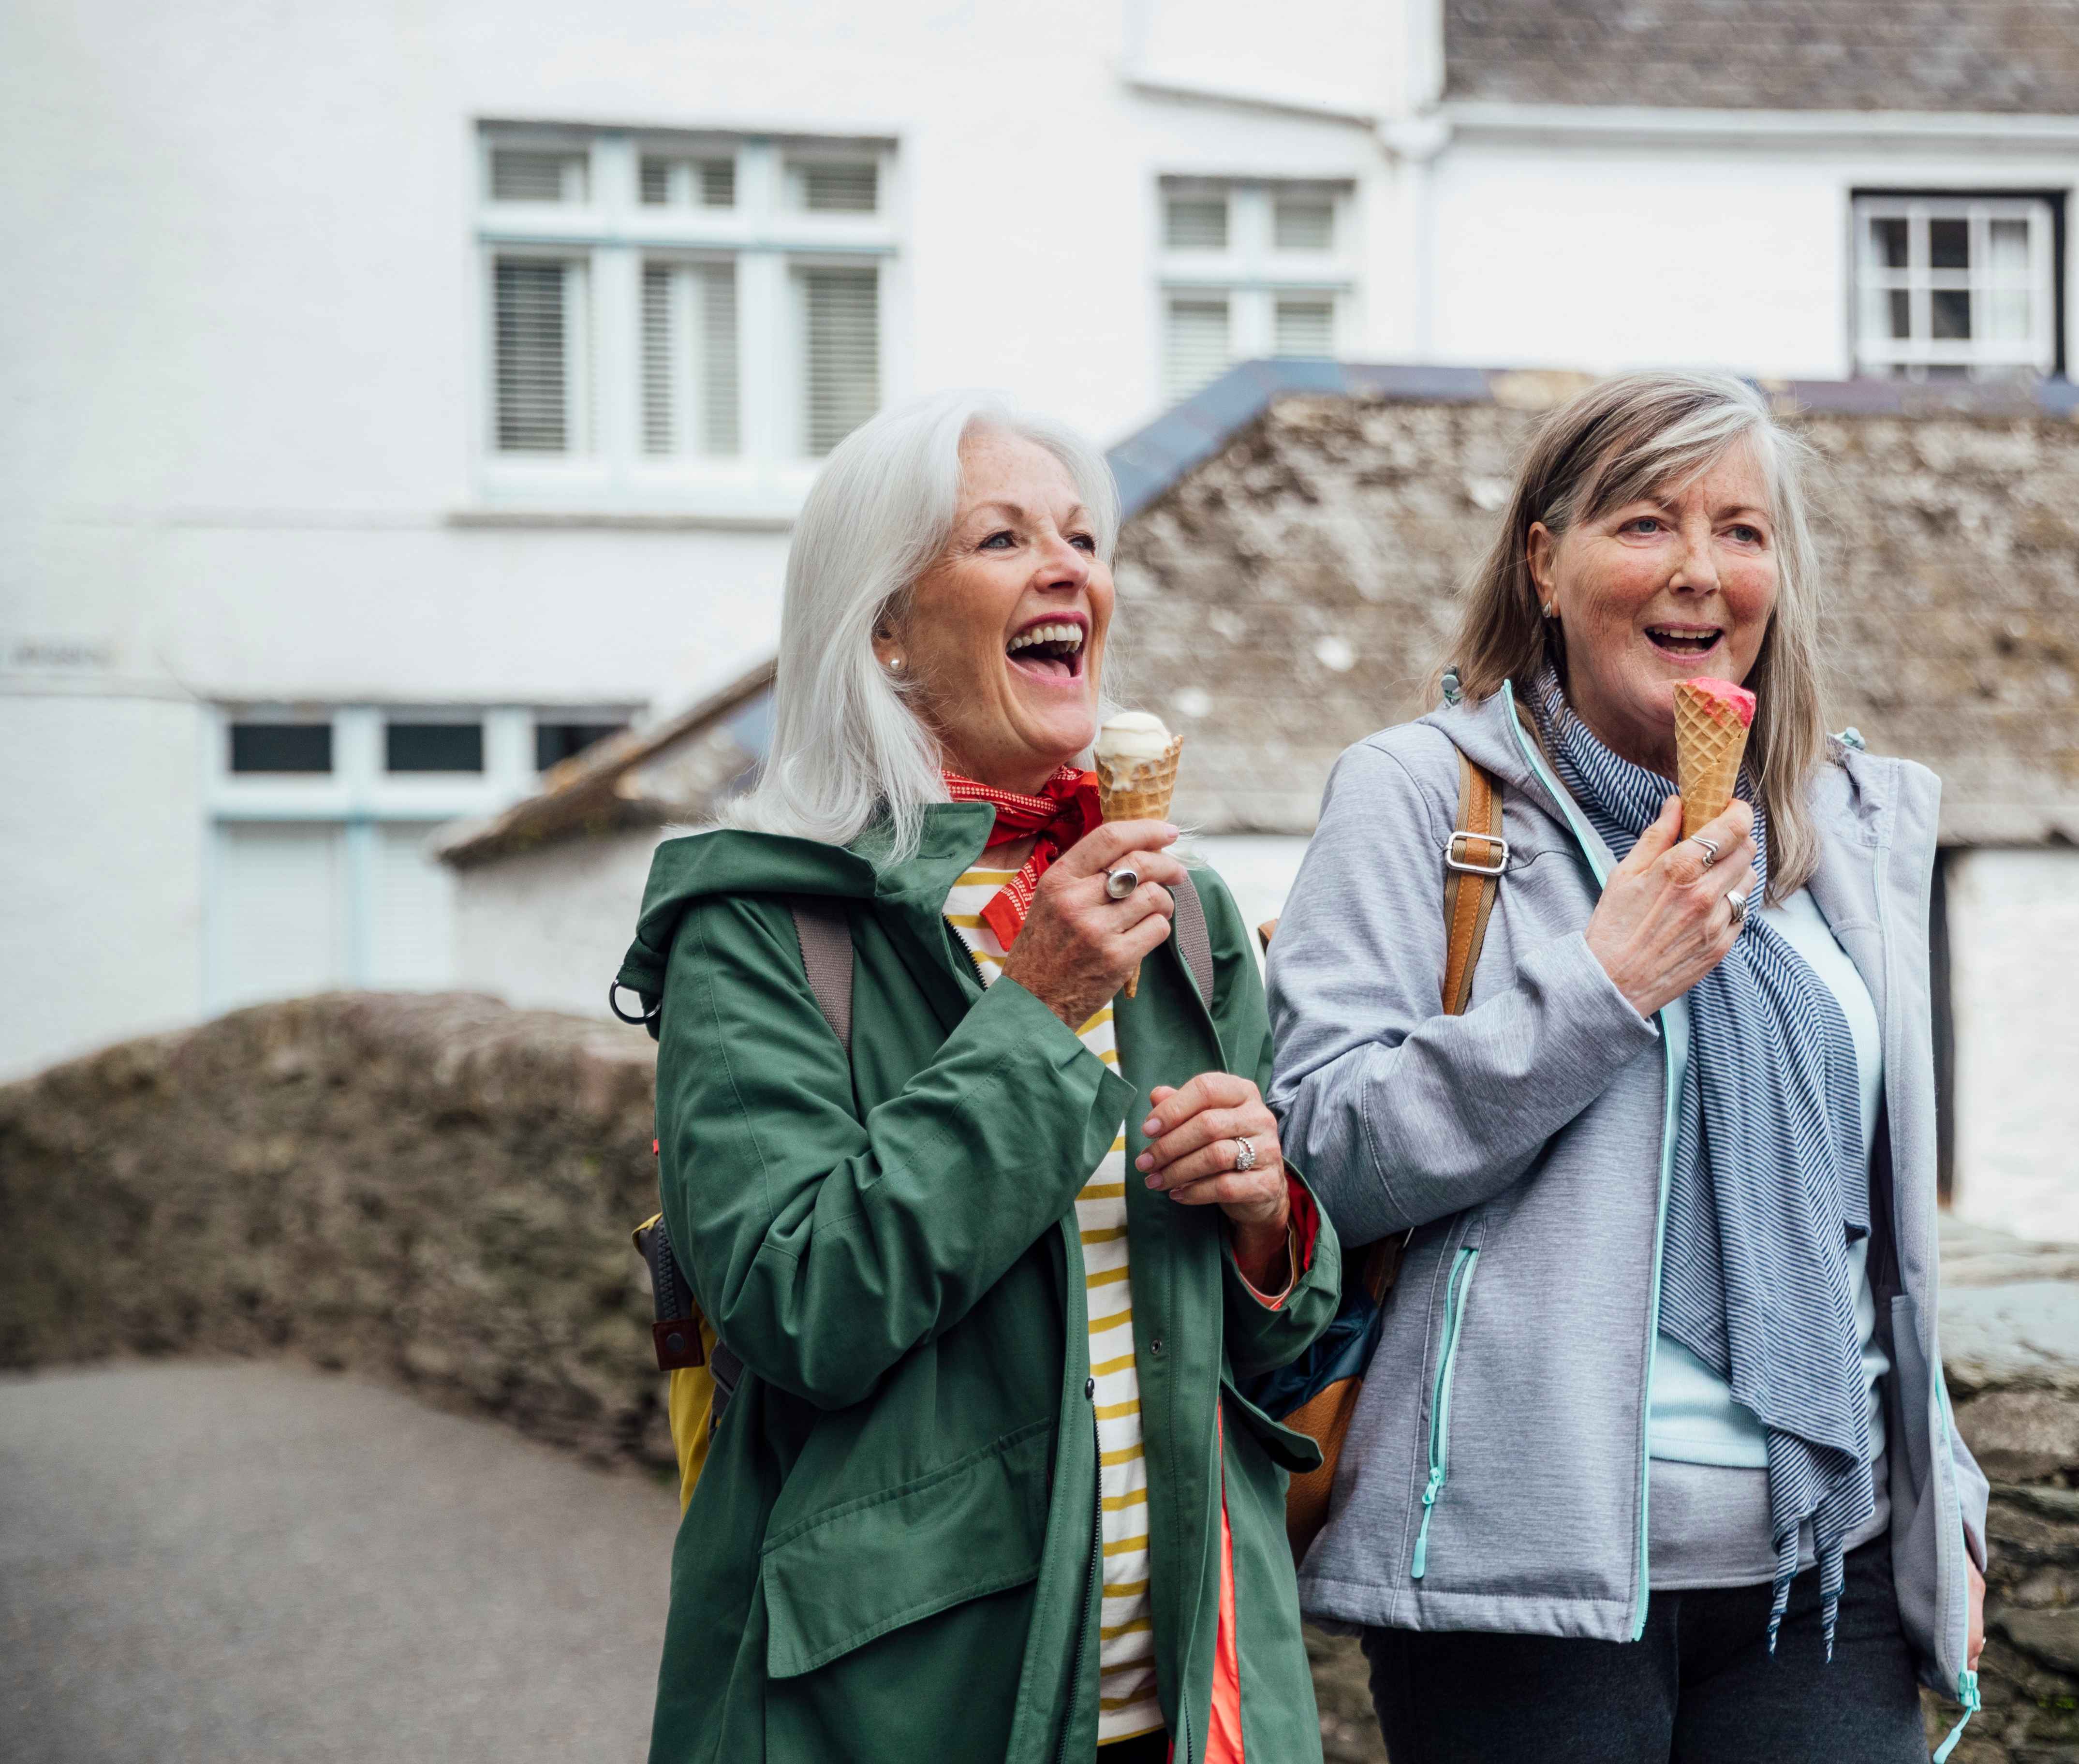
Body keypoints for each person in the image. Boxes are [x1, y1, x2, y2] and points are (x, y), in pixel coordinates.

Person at [1266, 371, 1990, 1764]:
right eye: (1648, 524)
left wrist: (1941, 1489)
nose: (1702, 574)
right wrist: (1601, 984)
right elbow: (1318, 1151)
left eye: (1743, 531)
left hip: (1820, 1566)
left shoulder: (1833, 833)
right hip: (1515, 1579)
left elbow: (1884, 1231)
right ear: (1545, 561)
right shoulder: (1421, 797)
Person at [614, 390, 1342, 1764]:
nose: (1070, 569)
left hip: (1203, 1694)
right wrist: (1041, 1010)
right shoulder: (764, 931)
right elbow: (802, 1305)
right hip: (915, 1702)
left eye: (1082, 537)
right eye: (1003, 540)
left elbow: (1276, 1339)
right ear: (885, 630)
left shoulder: (1182, 914)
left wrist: (1265, 1221)